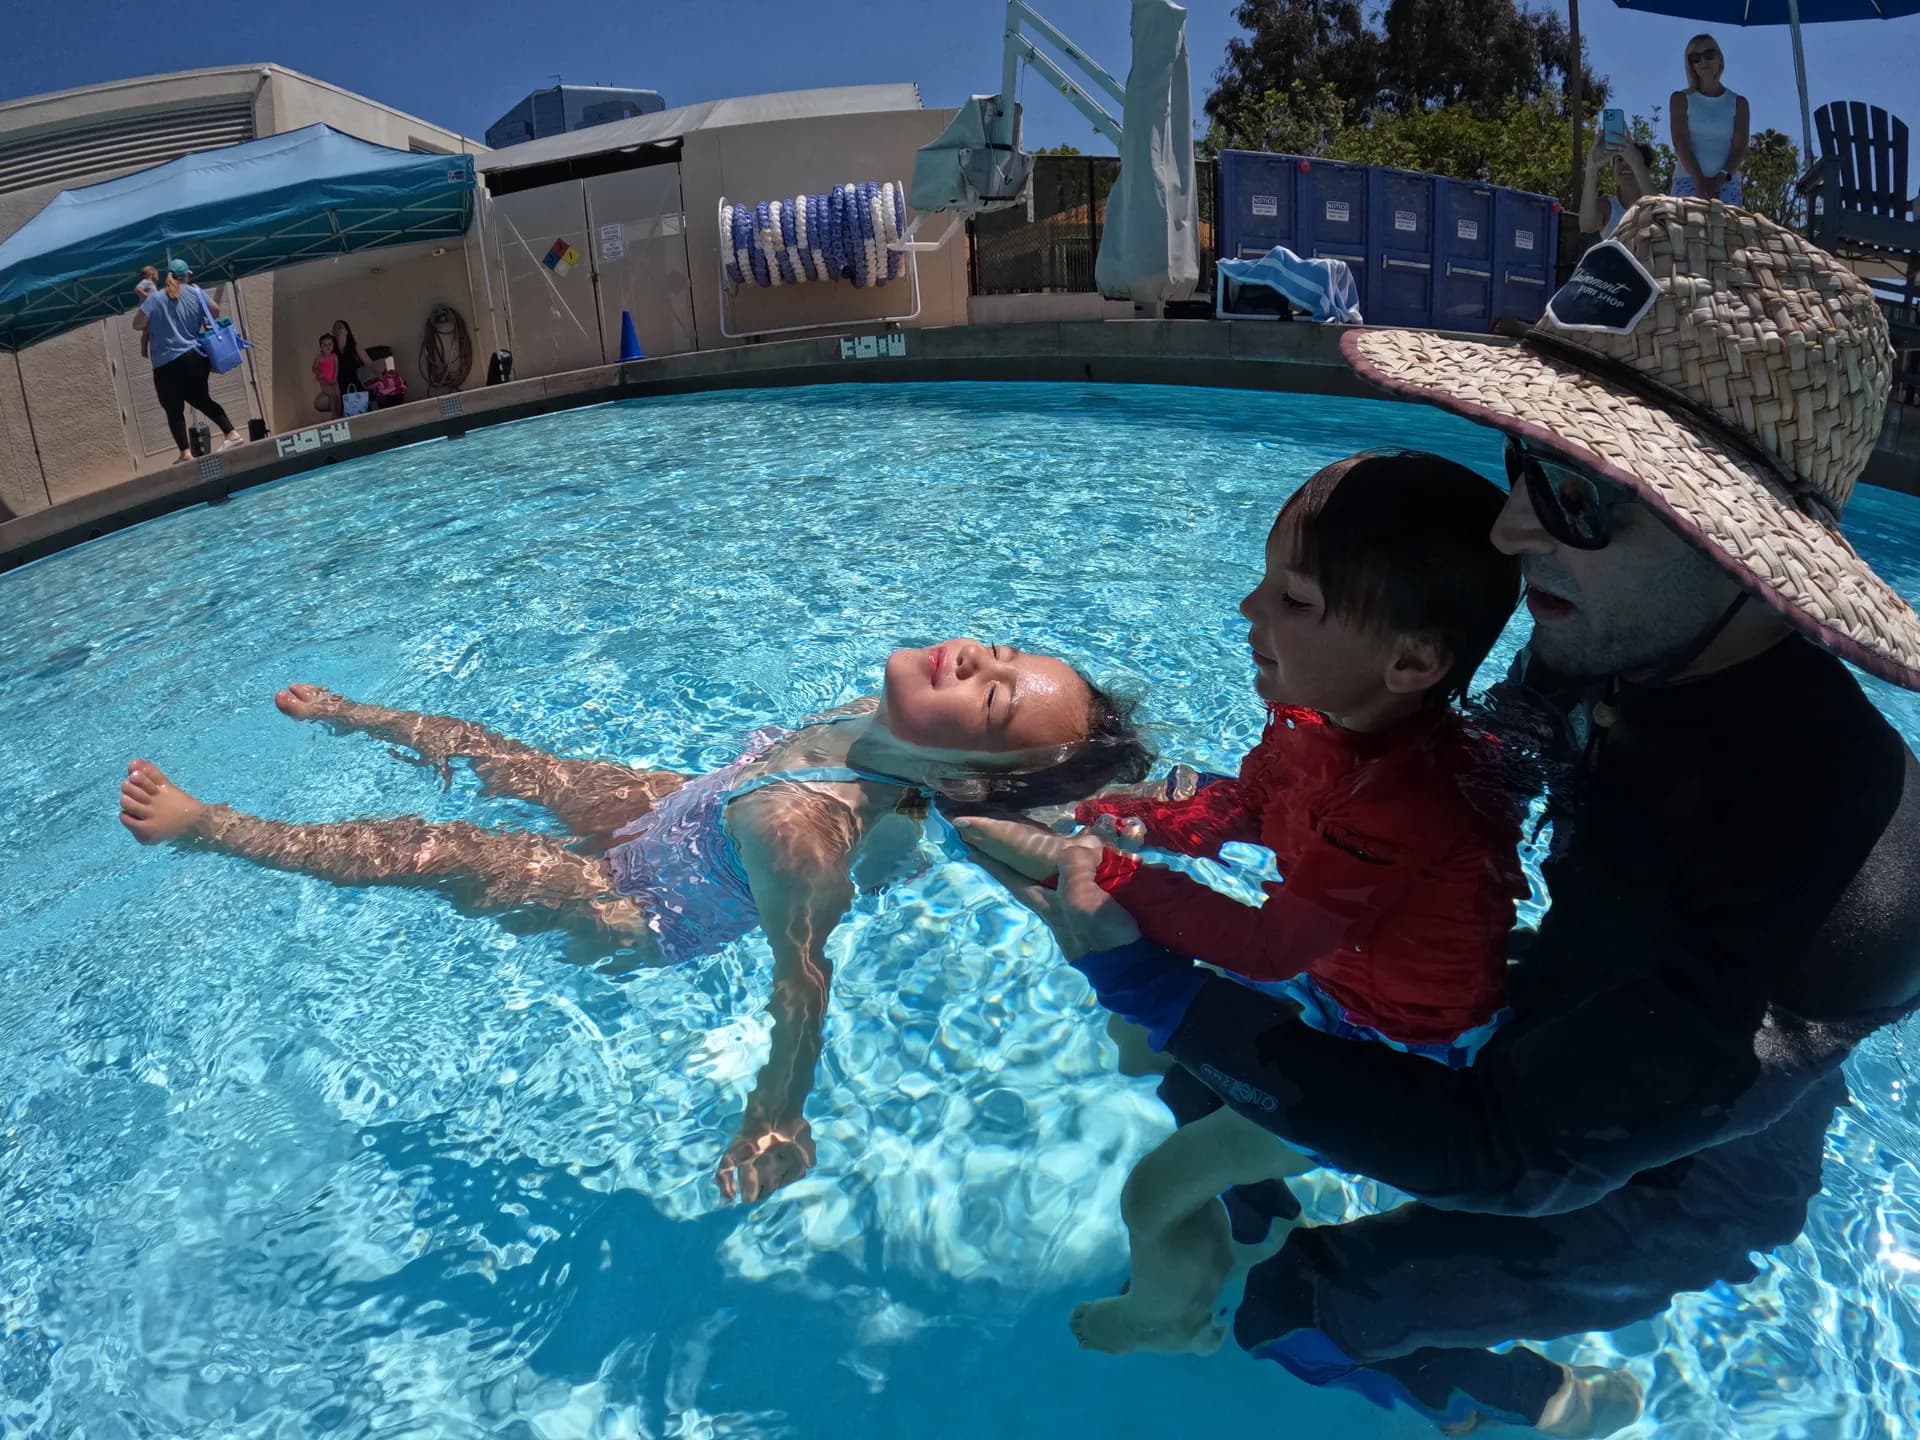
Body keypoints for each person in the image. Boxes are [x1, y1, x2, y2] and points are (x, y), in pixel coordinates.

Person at [963, 196, 1920, 1439]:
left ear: (1742, 545)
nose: (1512, 523)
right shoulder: (1623, 645)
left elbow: (1515, 1151)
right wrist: (1195, 806)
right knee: (1223, 1076)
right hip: (1555, 1020)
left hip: (1661, 1168)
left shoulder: (1853, 882)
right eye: (1526, 462)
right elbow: (1444, 778)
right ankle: (1262, 1191)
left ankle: (1528, 1404)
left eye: (1578, 488)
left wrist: (1154, 980)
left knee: (1289, 1310)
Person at [117, 639, 1151, 1204]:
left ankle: (210, 830)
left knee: (432, 853)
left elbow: (803, 984)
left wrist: (777, 1116)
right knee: (504, 757)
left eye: (996, 700)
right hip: (680, 813)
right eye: (1003, 651)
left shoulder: (804, 833)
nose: (974, 658)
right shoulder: (879, 723)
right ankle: (355, 713)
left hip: (647, 905)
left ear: (962, 768)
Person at [1058, 452, 1527, 1359]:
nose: (1249, 610)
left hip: (1395, 1055)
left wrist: (1118, 878)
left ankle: (1170, 1318)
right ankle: (1253, 1194)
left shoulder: (1407, 802)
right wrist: (1152, 818)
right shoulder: (1319, 723)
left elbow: (1271, 945)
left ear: (1412, 662)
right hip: (1338, 995)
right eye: (1266, 582)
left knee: (1152, 1193)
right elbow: (1258, 803)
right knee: (1157, 1050)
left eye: (1295, 601)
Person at [131, 259, 241, 464]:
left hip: (166, 364)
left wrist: (156, 319)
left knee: (174, 410)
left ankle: (186, 453)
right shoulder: (196, 292)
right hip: (194, 358)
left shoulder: (154, 299)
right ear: (186, 275)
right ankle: (232, 434)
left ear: (168, 275)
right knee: (202, 399)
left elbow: (137, 324)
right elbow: (215, 312)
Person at [1670, 34, 1748, 204]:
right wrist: (1700, 180)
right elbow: (1680, 142)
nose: (1703, 61)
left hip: (1727, 182)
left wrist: (1719, 179)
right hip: (1687, 180)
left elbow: (1739, 149)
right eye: (1695, 58)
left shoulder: (1739, 103)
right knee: (1686, 231)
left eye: (1709, 55)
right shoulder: (1680, 99)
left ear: (1720, 59)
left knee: (1728, 231)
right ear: (1691, 65)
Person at [1578, 137, 1655, 239]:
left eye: (1630, 158)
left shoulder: (1658, 203)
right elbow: (1587, 226)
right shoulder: (1606, 206)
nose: (1624, 164)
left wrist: (1637, 165)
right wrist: (1591, 169)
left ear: (1647, 169)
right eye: (1619, 159)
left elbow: (1662, 213)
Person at [331, 319, 366, 404]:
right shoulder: (331, 352)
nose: (337, 329)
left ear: (347, 331)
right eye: (334, 328)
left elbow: (369, 363)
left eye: (340, 327)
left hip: (355, 384)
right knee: (319, 402)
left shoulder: (355, 347)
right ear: (332, 333)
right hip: (339, 387)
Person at [134, 266, 160, 359]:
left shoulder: (151, 284)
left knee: (147, 331)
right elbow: (137, 289)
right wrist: (148, 298)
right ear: (151, 273)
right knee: (146, 331)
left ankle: (144, 349)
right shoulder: (146, 282)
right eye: (156, 273)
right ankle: (144, 349)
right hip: (147, 311)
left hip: (150, 311)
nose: (158, 275)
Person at [312, 333, 339, 416]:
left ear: (333, 345)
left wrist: (335, 378)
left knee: (338, 395)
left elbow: (336, 368)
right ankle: (334, 414)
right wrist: (319, 373)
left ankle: (339, 413)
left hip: (333, 380)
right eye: (325, 345)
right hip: (324, 382)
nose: (327, 347)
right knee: (332, 394)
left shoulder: (334, 356)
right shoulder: (319, 357)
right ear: (321, 347)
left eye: (330, 344)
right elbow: (314, 368)